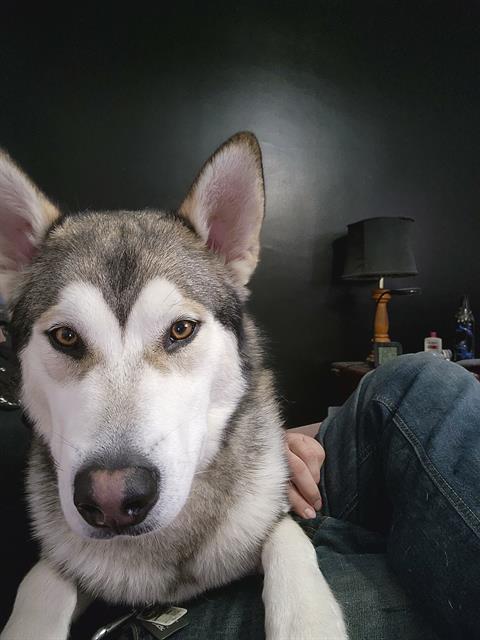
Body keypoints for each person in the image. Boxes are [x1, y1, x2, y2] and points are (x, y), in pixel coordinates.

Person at [78, 353, 479, 640]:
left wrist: (273, 443)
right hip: (147, 601)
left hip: (260, 497)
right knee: (430, 583)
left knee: (420, 378)